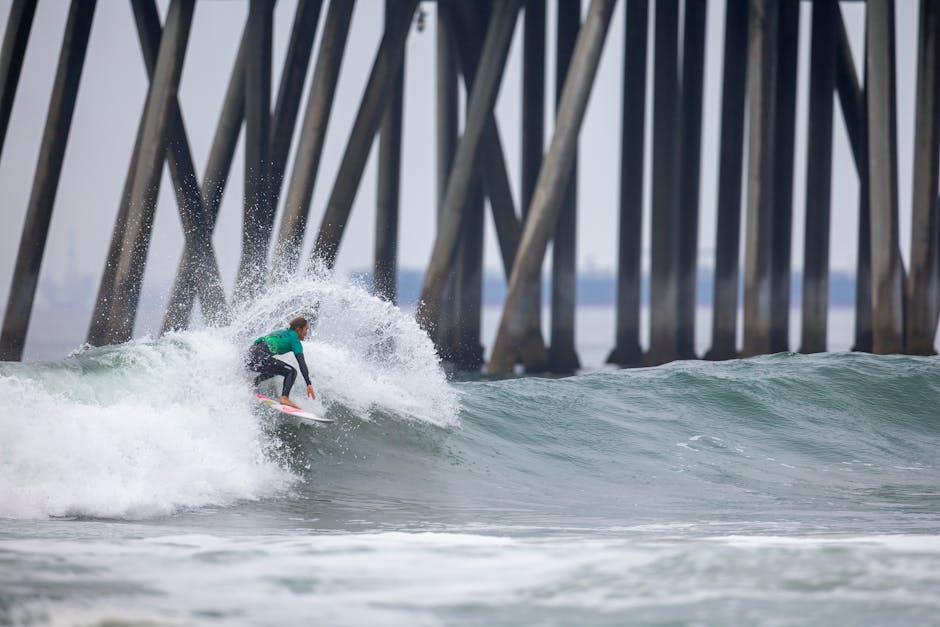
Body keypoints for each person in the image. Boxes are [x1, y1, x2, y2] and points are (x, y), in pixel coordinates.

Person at [247, 316, 316, 409]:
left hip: (249, 356)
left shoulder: (282, 332)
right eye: (306, 329)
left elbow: (260, 341)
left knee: (277, 370)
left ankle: (254, 383)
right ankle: (284, 398)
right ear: (298, 329)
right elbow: (301, 362)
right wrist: (308, 383)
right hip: (260, 357)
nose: (306, 332)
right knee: (291, 371)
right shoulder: (294, 340)